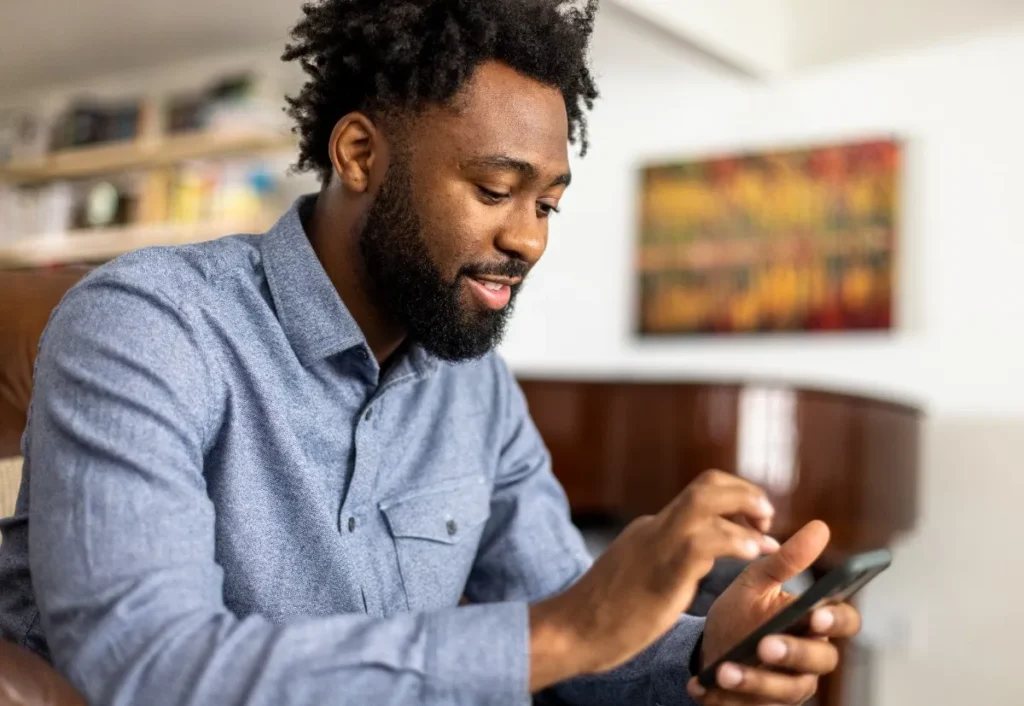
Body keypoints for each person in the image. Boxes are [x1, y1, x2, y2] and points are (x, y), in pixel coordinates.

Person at [0, 1, 862, 704]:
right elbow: (146, 664)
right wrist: (562, 632)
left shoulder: (475, 390)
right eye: (495, 190)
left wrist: (708, 644)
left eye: (548, 205)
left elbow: (568, 617)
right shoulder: (147, 326)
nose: (528, 240)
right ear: (359, 155)